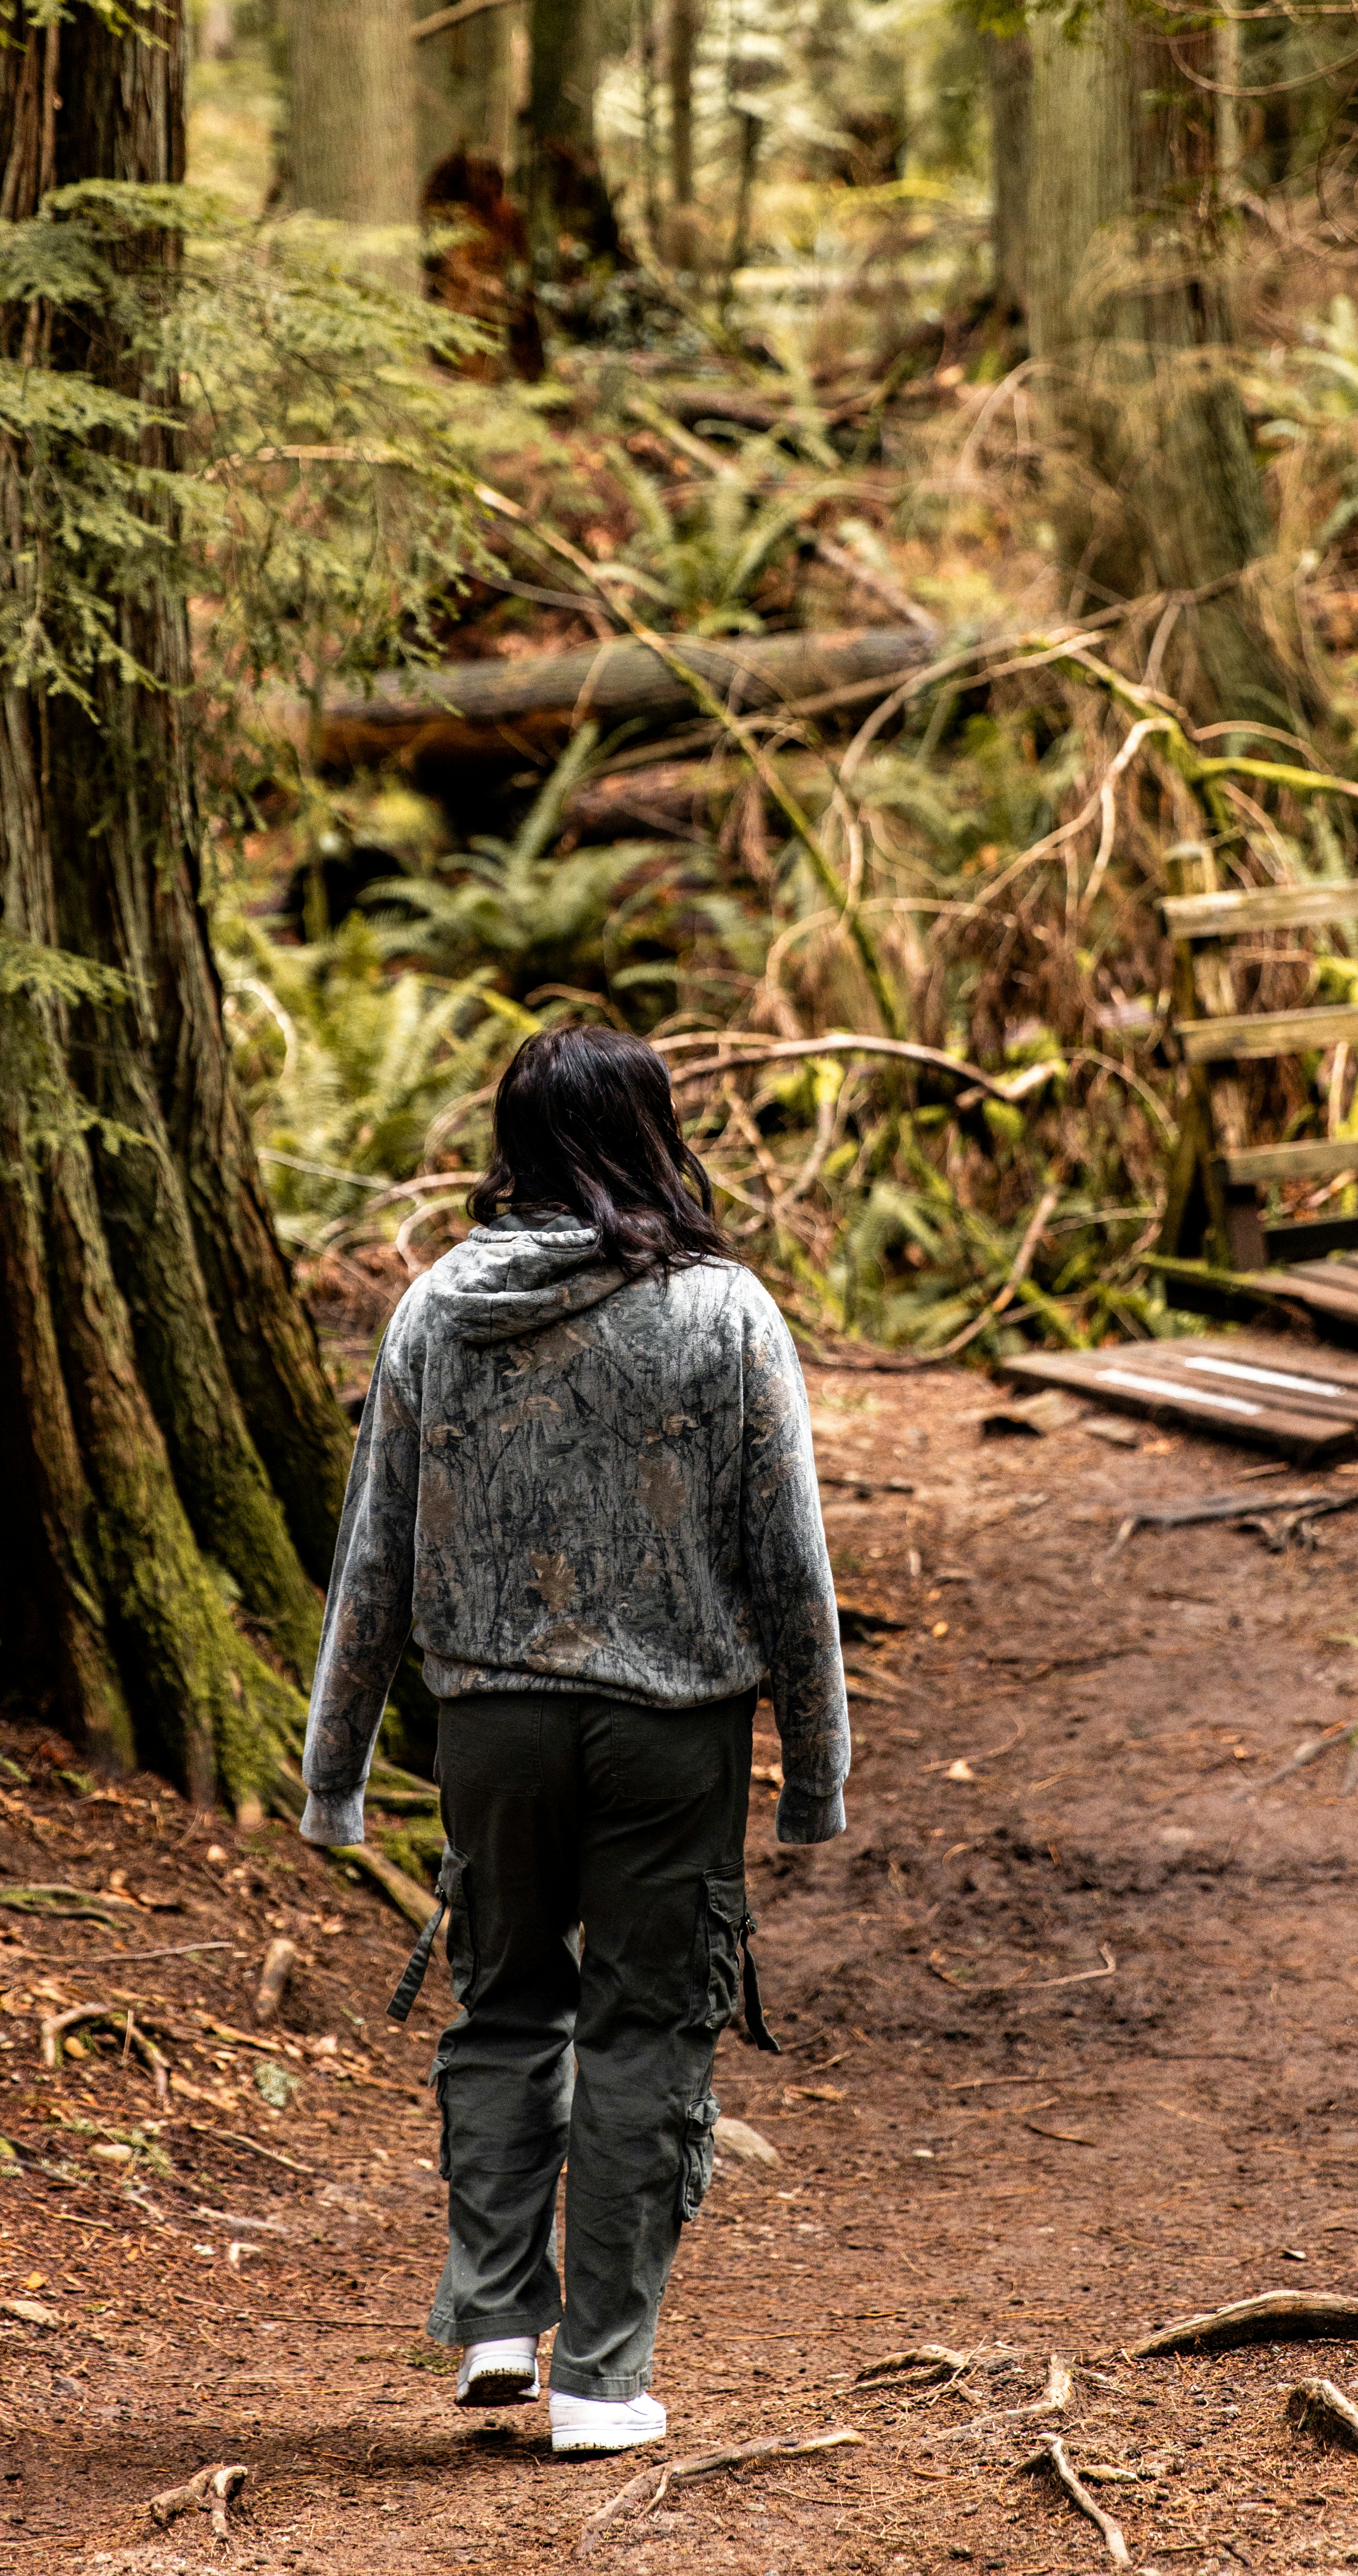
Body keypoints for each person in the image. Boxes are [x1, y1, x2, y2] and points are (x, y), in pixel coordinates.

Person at [297, 1024, 849, 2457]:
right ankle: (602, 2380)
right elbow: (791, 1556)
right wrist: (818, 1774)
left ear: (515, 1141)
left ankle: (493, 2316)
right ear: (653, 1134)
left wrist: (337, 1768)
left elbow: (375, 1556)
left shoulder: (430, 1308)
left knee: (503, 2008)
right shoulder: (725, 1311)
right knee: (648, 2033)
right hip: (676, 1735)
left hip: (491, 1726)